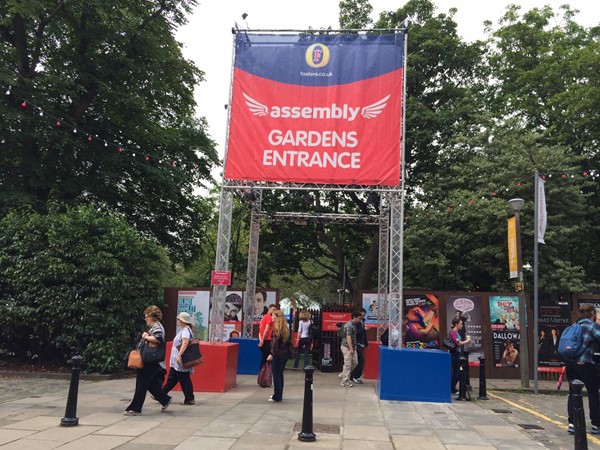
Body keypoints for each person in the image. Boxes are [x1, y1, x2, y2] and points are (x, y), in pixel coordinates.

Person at [124, 305, 172, 416]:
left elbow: (158, 338)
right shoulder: (156, 326)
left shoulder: (157, 327)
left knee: (141, 384)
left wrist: (145, 337)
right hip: (152, 360)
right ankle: (165, 399)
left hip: (150, 360)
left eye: (146, 316)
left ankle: (135, 408)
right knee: (149, 384)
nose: (145, 318)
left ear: (151, 317)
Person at [566, 304, 600, 435]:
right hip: (586, 364)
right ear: (592, 313)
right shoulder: (592, 326)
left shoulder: (575, 325)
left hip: (571, 364)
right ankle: (596, 424)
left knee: (573, 392)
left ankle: (572, 423)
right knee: (593, 393)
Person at [162, 312, 197, 405]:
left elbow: (185, 343)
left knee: (184, 379)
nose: (177, 320)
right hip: (177, 361)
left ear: (182, 321)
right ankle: (161, 394)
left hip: (179, 360)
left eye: (179, 319)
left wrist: (179, 355)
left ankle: (189, 398)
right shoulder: (186, 330)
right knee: (173, 378)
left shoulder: (185, 331)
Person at [266, 309, 293, 402]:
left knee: (276, 375)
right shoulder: (285, 328)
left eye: (273, 315)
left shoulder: (276, 330)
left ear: (277, 317)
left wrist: (271, 354)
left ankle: (277, 396)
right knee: (280, 375)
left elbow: (275, 344)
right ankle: (279, 394)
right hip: (284, 354)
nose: (271, 317)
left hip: (277, 355)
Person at [339, 311, 362, 387]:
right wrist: (351, 348)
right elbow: (348, 337)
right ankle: (344, 381)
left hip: (352, 346)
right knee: (348, 364)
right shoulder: (349, 325)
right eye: (358, 318)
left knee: (355, 362)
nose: (360, 320)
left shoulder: (355, 325)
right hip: (346, 347)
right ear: (354, 317)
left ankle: (343, 374)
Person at [449, 317, 471, 394]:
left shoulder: (456, 332)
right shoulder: (454, 332)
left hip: (457, 353)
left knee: (457, 372)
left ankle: (452, 388)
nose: (462, 325)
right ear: (456, 324)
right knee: (457, 372)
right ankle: (452, 388)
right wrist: (467, 341)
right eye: (461, 324)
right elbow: (457, 343)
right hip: (455, 354)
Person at [351, 308, 368, 384]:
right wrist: (364, 329)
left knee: (359, 360)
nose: (363, 317)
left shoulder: (362, 321)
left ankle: (353, 375)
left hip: (361, 343)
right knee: (361, 360)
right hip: (357, 343)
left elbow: (363, 334)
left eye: (364, 316)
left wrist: (366, 343)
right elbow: (356, 332)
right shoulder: (356, 323)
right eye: (362, 316)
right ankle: (355, 376)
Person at [258, 304, 277, 368]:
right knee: (266, 358)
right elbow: (266, 329)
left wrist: (261, 339)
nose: (274, 311)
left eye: (275, 310)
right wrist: (262, 340)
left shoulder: (264, 317)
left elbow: (260, 329)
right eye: (273, 309)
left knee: (264, 357)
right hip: (268, 339)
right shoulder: (269, 317)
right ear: (269, 308)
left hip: (264, 339)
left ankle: (262, 373)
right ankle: (264, 373)